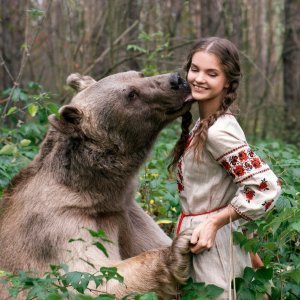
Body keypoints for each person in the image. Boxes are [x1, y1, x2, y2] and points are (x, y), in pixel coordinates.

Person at [169, 37, 281, 299]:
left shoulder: (220, 131)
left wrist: (215, 223)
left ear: (227, 82)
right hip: (198, 241)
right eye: (195, 69)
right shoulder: (205, 125)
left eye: (211, 73)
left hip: (213, 248)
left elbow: (267, 186)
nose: (198, 78)